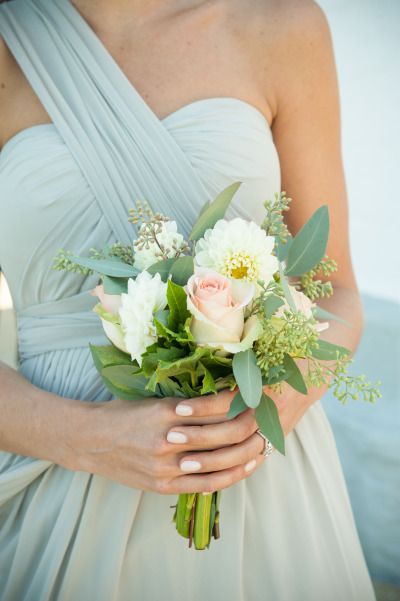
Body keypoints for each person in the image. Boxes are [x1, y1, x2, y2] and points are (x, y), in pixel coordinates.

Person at [0, 0, 376, 599]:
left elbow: (337, 296)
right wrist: (86, 438)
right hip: (59, 476)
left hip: (258, 479)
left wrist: (264, 411)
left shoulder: (279, 26)